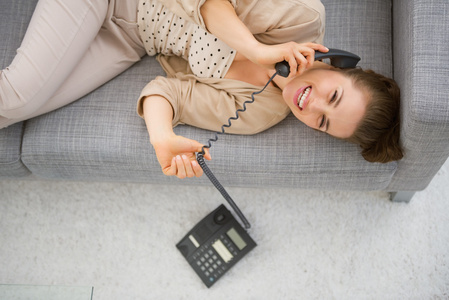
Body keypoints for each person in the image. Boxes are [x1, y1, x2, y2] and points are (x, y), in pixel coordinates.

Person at [0, 0, 403, 180]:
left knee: (10, 110)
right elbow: (211, 3)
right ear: (342, 65)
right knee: (19, 96)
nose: (311, 107)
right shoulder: (301, 17)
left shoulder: (261, 111)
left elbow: (166, 92)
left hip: (129, 36)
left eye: (323, 123)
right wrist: (259, 51)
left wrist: (162, 137)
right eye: (333, 97)